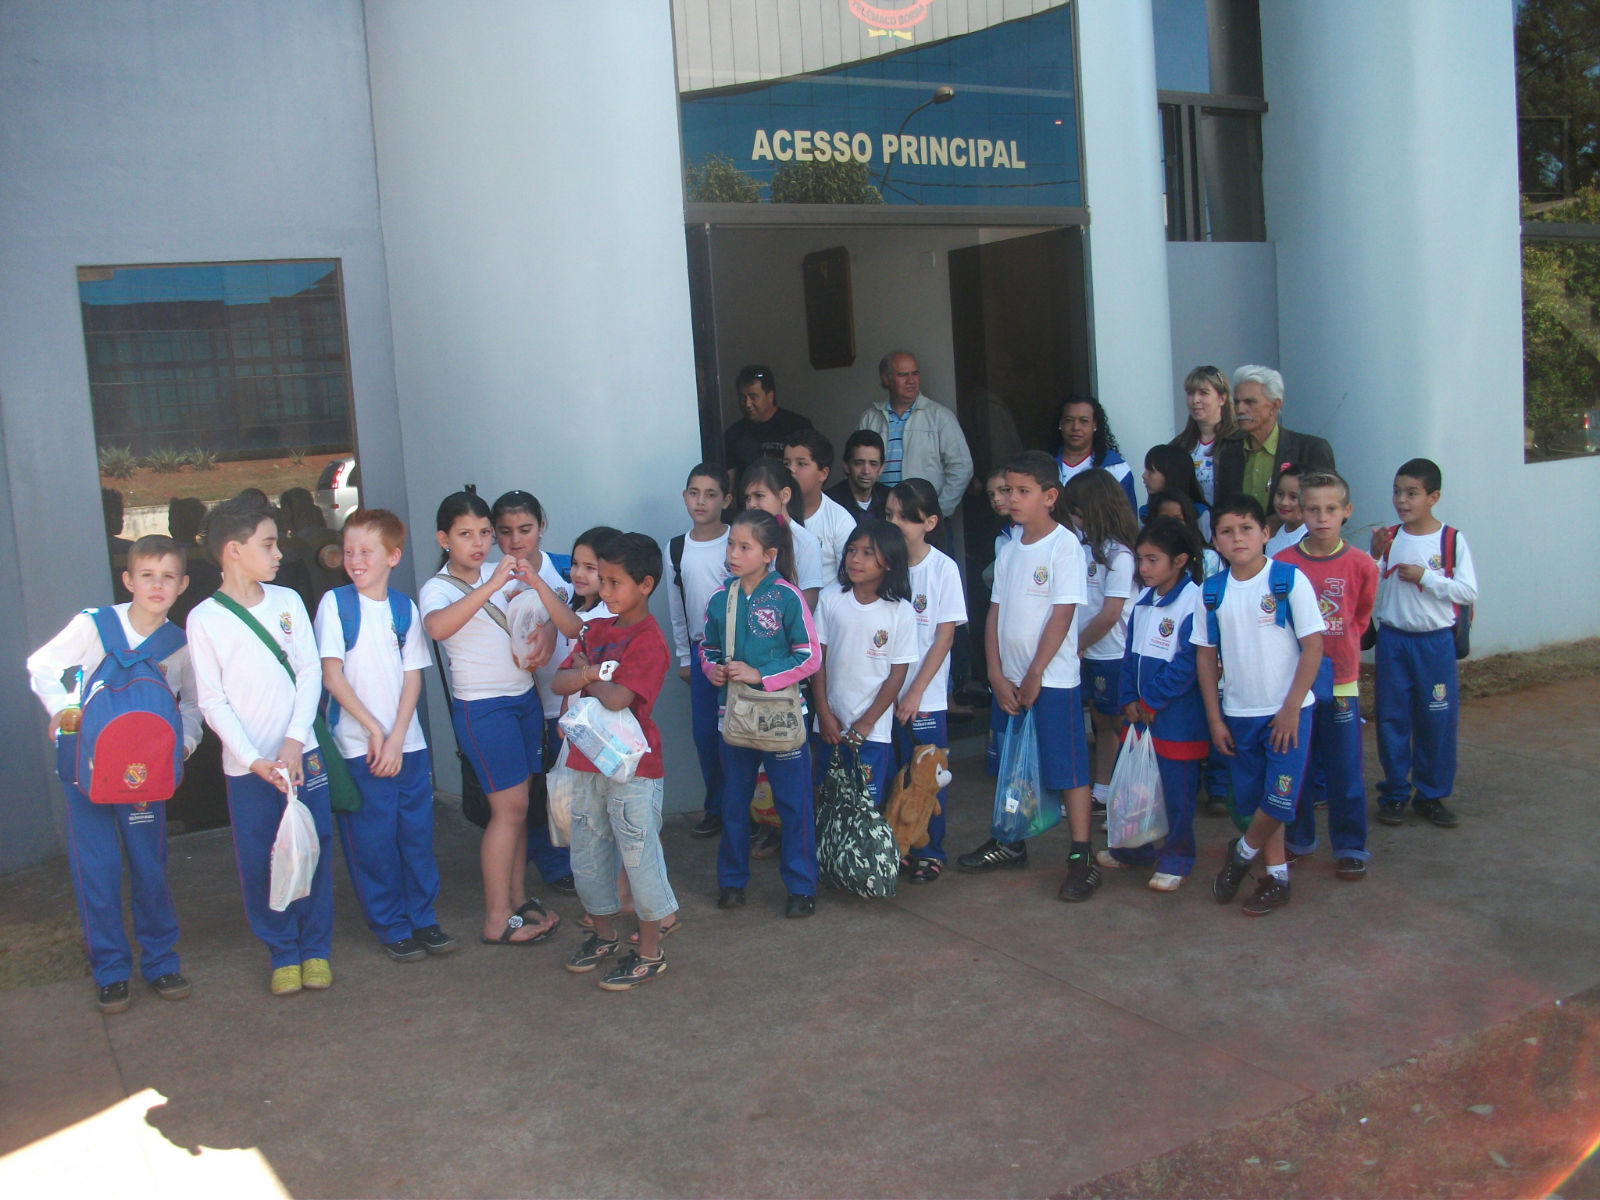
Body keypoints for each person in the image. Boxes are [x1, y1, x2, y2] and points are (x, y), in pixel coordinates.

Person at [27, 534, 202, 1013]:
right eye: (147, 575)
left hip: (144, 776)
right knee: (97, 870)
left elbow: (193, 704)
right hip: (86, 772)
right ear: (128, 579)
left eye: (168, 577)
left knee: (149, 868)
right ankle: (109, 971)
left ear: (182, 583)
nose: (157, 585)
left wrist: (181, 745)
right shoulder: (94, 625)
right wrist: (65, 714)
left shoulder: (179, 645)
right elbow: (42, 666)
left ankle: (161, 962)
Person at [187, 498, 335, 994]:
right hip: (247, 769)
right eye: (268, 544)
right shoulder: (205, 619)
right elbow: (212, 701)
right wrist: (254, 761)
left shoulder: (288, 601)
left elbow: (310, 672)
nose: (278, 554)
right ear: (233, 550)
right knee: (261, 857)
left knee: (312, 847)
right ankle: (282, 951)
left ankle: (315, 949)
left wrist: (293, 745)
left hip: (303, 755)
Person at [419, 489, 561, 948]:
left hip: (523, 699)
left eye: (484, 532)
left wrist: (542, 633)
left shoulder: (499, 572)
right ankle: (496, 918)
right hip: (482, 707)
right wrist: (491, 583)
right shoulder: (439, 587)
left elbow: (542, 609)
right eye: (465, 534)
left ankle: (518, 902)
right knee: (507, 812)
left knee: (520, 810)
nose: (478, 543)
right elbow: (438, 627)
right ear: (444, 539)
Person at [956, 451, 1098, 903]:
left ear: (1049, 496)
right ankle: (1010, 839)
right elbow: (995, 610)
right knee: (1010, 765)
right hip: (1009, 682)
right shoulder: (1010, 546)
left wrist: (1036, 671)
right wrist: (995, 673)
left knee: (1067, 767)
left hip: (1051, 681)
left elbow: (1062, 614)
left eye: (1022, 491)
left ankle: (1081, 856)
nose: (1011, 500)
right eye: (1006, 490)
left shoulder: (1063, 546)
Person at [315, 508, 456, 963]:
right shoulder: (335, 605)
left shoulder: (404, 608)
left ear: (392, 556)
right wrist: (375, 731)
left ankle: (423, 918)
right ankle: (391, 924)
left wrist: (397, 736)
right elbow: (332, 676)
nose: (355, 560)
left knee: (415, 836)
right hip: (360, 749)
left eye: (367, 552)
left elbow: (413, 677)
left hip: (407, 746)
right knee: (372, 841)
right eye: (350, 551)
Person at [550, 533, 678, 990]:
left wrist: (589, 674)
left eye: (613, 582)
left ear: (645, 584)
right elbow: (560, 683)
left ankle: (648, 951)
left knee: (640, 859)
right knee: (586, 855)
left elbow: (621, 697)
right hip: (587, 764)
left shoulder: (649, 639)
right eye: (600, 580)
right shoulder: (598, 629)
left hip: (634, 771)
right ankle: (603, 936)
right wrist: (589, 674)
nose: (603, 591)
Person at [1193, 496, 1326, 917]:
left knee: (1280, 799)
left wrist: (1289, 709)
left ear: (1266, 533)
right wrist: (1215, 718)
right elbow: (1205, 657)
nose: (1238, 538)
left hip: (1288, 711)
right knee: (1254, 800)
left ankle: (1242, 857)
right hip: (1239, 712)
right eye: (1227, 532)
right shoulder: (1211, 592)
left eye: (1247, 528)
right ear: (1214, 540)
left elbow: (1312, 647)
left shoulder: (1287, 580)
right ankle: (1277, 877)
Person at [700, 509, 822, 918]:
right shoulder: (720, 599)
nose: (733, 553)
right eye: (731, 544)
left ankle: (802, 887)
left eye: (744, 547)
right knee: (734, 803)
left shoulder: (788, 597)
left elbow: (809, 657)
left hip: (781, 716)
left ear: (769, 553)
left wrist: (760, 674)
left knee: (794, 803)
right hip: (732, 717)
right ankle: (732, 883)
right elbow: (708, 648)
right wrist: (712, 669)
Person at [1096, 517, 1208, 891]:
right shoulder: (1143, 603)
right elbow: (1129, 657)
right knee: (1136, 789)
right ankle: (1135, 849)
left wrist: (1152, 699)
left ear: (1179, 561)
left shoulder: (1195, 602)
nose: (1143, 569)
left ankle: (1176, 857)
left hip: (1176, 718)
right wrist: (1128, 698)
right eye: (1141, 560)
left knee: (1176, 792)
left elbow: (1187, 663)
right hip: (1140, 715)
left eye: (1152, 560)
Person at [1275, 473, 1377, 878]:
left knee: (1345, 768)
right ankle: (1299, 838)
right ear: (1300, 511)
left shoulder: (1361, 564)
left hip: (1341, 679)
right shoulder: (1282, 564)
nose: (1322, 518)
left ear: (1346, 512)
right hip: (1297, 681)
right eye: (1313, 509)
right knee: (1297, 762)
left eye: (1331, 509)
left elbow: (1361, 616)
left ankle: (1350, 845)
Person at [1369, 458, 1477, 829]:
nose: (1402, 500)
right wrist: (1374, 555)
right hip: (1394, 641)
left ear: (1433, 497)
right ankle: (1395, 792)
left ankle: (1431, 795)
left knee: (1437, 719)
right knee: (1392, 718)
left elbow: (1467, 590)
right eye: (1398, 492)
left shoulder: (1451, 540)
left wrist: (1427, 578)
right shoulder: (1390, 538)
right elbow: (1371, 588)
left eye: (1412, 493)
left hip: (1435, 644)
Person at [489, 490, 580, 895]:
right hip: (517, 702)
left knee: (563, 787)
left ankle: (564, 860)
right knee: (528, 790)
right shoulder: (488, 579)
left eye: (525, 529)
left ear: (541, 528)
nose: (516, 540)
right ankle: (536, 862)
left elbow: (585, 621)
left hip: (565, 700)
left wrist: (548, 624)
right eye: (505, 532)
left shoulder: (568, 570)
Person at [886, 479, 967, 882]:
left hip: (926, 696)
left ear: (930, 522)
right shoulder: (885, 565)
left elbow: (945, 635)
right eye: (889, 515)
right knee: (895, 775)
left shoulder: (942, 568)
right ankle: (899, 843)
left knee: (927, 775)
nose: (895, 523)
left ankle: (930, 849)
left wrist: (916, 691)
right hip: (886, 695)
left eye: (905, 517)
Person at [812, 519, 917, 811]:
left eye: (868, 553)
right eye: (852, 550)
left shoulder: (901, 612)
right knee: (827, 795)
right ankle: (829, 855)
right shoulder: (832, 598)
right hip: (831, 723)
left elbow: (897, 674)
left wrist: (867, 722)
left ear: (889, 562)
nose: (855, 559)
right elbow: (817, 660)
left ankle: (862, 857)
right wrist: (824, 713)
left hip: (873, 731)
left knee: (865, 803)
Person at [1059, 470, 1138, 819]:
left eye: (1078, 512)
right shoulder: (1084, 548)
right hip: (1088, 651)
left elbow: (1109, 615)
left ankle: (1120, 795)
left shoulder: (1120, 555)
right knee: (1101, 724)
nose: (1075, 519)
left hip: (1111, 654)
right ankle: (1103, 790)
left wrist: (1074, 644)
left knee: (1116, 723)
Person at [667, 465, 732, 840]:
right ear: (685, 496)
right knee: (706, 735)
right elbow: (676, 605)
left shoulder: (737, 540)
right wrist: (685, 656)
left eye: (711, 494)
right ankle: (716, 808)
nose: (701, 501)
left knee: (739, 735)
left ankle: (750, 810)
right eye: (694, 492)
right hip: (700, 650)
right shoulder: (676, 548)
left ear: (726, 499)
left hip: (741, 652)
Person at [855, 350, 973, 517]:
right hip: (880, 516)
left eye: (915, 373)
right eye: (903, 375)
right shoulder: (870, 418)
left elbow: (962, 467)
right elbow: (857, 466)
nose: (911, 380)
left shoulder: (940, 416)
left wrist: (939, 511)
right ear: (886, 379)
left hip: (924, 519)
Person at [1213, 365, 1335, 511]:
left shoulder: (1310, 450)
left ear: (1274, 406)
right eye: (1237, 402)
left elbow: (1331, 506)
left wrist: (1284, 522)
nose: (1240, 409)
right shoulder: (1229, 453)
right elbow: (1222, 510)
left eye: (1250, 402)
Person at [741, 458, 826, 610]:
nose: (751, 504)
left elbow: (806, 609)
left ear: (785, 495)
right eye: (748, 498)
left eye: (759, 496)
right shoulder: (743, 539)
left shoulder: (806, 543)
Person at [784, 429, 858, 581]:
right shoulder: (771, 512)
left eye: (801, 463)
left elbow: (848, 580)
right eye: (786, 463)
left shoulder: (840, 520)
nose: (791, 469)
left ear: (823, 473)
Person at [723, 365, 814, 483]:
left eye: (753, 396)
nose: (747, 404)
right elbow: (729, 482)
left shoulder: (798, 427)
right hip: (749, 499)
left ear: (770, 396)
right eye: (742, 397)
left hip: (790, 498)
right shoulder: (734, 434)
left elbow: (812, 471)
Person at [1054, 395, 1137, 513]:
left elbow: (1127, 520)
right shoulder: (1044, 466)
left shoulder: (1115, 467)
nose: (1076, 427)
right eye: (1069, 420)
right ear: (1060, 424)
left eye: (1084, 421)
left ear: (1095, 425)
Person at [1172, 365, 1238, 507]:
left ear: (1222, 399)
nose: (1195, 400)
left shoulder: (1239, 442)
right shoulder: (1178, 446)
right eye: (1190, 393)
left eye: (1203, 393)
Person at [1140, 443, 1210, 539]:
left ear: (1171, 475)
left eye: (1151, 471)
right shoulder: (1145, 514)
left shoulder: (1200, 513)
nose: (1144, 475)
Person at [827, 429, 891, 522]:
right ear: (846, 466)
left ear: (881, 468)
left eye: (873, 464)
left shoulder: (890, 499)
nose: (866, 471)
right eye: (859, 463)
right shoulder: (829, 502)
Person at [1264, 464, 1308, 556]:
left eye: (1293, 497)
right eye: (1280, 494)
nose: (1284, 502)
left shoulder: (1310, 539)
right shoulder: (1273, 531)